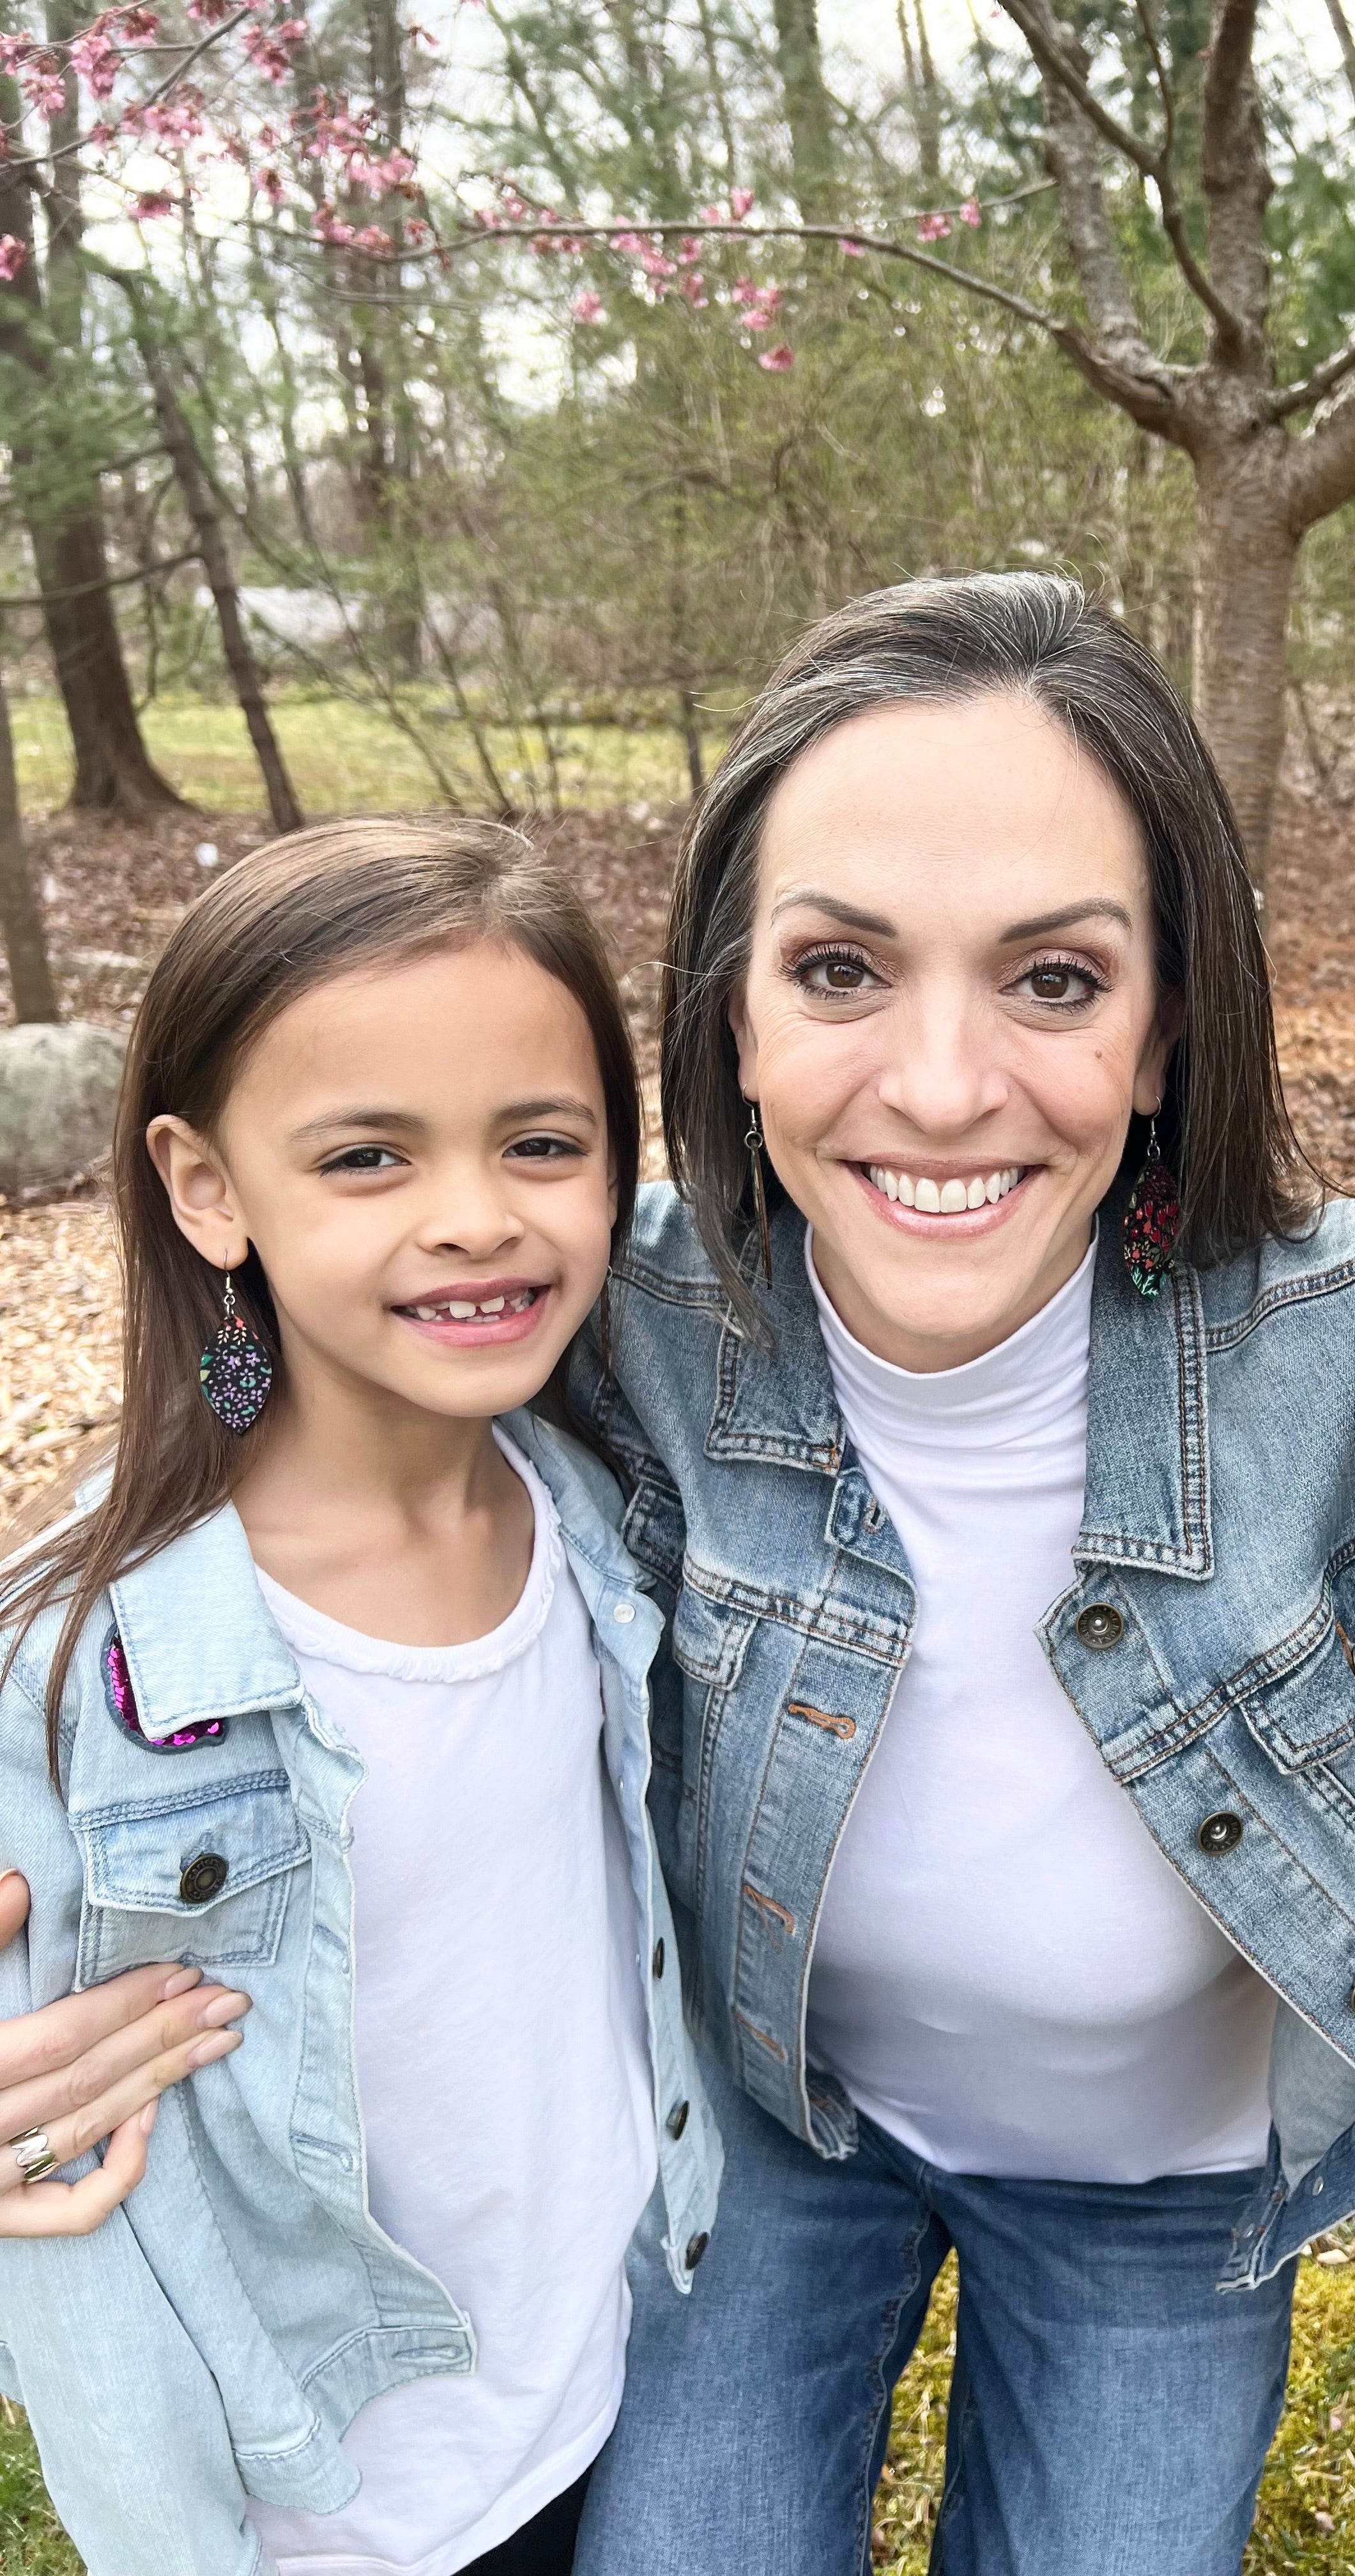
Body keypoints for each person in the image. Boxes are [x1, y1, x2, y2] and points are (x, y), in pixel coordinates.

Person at [567, 572, 1355, 2576]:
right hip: (781, 2115)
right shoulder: (618, 1312)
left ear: (1162, 1034)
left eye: (1054, 980)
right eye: (842, 972)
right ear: (736, 1017)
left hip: (1163, 2190)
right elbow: (253, 1431)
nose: (947, 1084)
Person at [0, 819, 717, 2576]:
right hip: (326, 2509)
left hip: (610, 2389)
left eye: (541, 1143)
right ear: (206, 1186)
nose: (476, 1216)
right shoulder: (94, 1663)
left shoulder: (593, 1523)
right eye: (366, 1158)